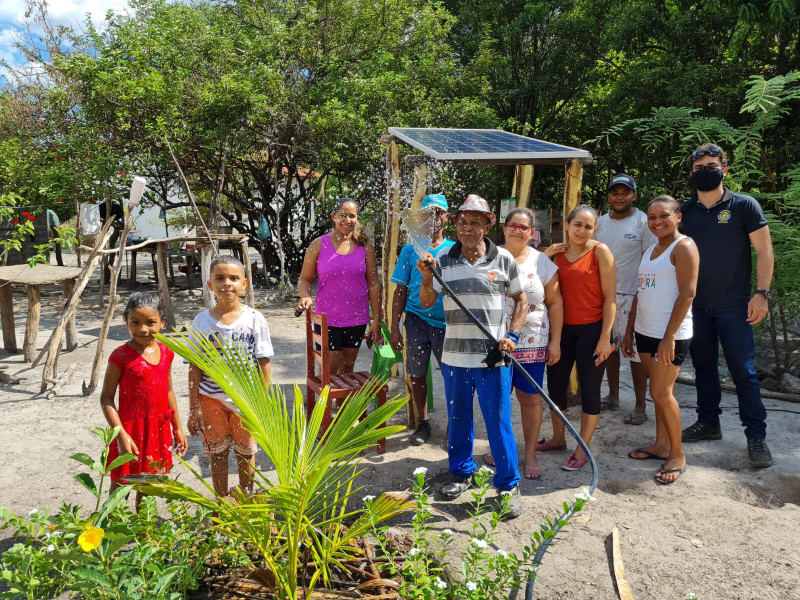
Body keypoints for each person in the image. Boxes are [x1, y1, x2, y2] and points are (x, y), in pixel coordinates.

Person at [417, 194, 528, 519]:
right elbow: (426, 302)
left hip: (493, 358)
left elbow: (521, 300)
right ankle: (462, 473)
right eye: (462, 221)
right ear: (455, 223)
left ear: (488, 224)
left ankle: (508, 485)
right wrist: (426, 276)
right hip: (454, 357)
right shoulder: (443, 260)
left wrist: (512, 335)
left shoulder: (503, 259)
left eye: (475, 222)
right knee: (459, 419)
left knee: (498, 423)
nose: (467, 228)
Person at [679, 143, 775, 468]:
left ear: (724, 169)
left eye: (712, 165)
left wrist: (762, 293)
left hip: (736, 307)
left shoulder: (743, 205)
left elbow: (764, 251)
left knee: (743, 373)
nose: (705, 170)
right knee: (704, 369)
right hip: (696, 308)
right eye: (699, 167)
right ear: (691, 174)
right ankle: (709, 423)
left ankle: (756, 437)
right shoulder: (684, 213)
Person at [622, 196, 699, 484]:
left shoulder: (685, 247)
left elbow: (687, 294)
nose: (657, 222)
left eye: (663, 216)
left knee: (661, 393)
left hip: (671, 335)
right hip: (645, 331)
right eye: (651, 217)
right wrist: (629, 330)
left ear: (678, 216)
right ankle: (661, 444)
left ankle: (677, 454)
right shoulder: (651, 249)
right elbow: (641, 291)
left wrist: (669, 338)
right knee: (659, 393)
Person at [483, 207, 563, 480]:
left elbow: (554, 303)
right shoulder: (488, 256)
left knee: (529, 399)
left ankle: (529, 453)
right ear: (504, 228)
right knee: (498, 398)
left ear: (532, 232)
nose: (517, 230)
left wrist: (556, 343)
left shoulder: (542, 262)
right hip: (496, 341)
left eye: (524, 227)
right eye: (512, 225)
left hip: (532, 341)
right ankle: (501, 448)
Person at [188, 256, 273, 497]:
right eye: (220, 278)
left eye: (234, 278)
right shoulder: (201, 322)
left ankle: (245, 502)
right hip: (210, 399)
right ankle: (222, 501)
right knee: (218, 453)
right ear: (210, 285)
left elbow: (264, 362)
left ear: (244, 284)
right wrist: (194, 406)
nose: (227, 283)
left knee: (246, 453)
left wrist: (261, 401)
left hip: (245, 400)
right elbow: (194, 367)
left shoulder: (255, 319)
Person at [540, 205, 616, 470]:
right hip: (560, 332)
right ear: (568, 225)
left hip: (592, 331)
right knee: (555, 388)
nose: (582, 230)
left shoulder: (600, 252)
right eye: (578, 225)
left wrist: (606, 338)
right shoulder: (556, 255)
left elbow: (610, 300)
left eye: (588, 226)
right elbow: (531, 278)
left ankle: (582, 450)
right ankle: (557, 439)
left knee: (591, 391)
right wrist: (545, 255)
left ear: (594, 229)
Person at [100, 292, 188, 509]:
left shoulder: (167, 352)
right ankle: (107, 533)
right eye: (135, 322)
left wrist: (177, 427)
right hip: (129, 430)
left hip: (157, 429)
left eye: (150, 322)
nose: (142, 329)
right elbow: (106, 398)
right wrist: (120, 435)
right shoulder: (120, 356)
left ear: (162, 323)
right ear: (126, 322)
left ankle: (144, 534)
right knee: (122, 486)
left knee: (149, 485)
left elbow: (168, 391)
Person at [389, 193, 454, 446]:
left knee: (451, 374)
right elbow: (400, 290)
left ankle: (455, 422)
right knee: (416, 373)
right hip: (415, 320)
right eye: (428, 214)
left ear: (446, 217)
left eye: (439, 213)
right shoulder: (409, 250)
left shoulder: (452, 250)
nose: (434, 218)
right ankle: (423, 421)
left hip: (446, 323)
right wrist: (394, 328)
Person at [594, 173, 656, 424]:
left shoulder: (643, 222)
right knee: (608, 348)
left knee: (635, 353)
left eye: (625, 192)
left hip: (634, 296)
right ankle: (613, 396)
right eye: (615, 192)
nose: (619, 197)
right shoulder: (599, 223)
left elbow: (650, 260)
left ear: (634, 196)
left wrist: (645, 295)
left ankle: (640, 405)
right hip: (603, 296)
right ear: (609, 196)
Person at [297, 197, 382, 374]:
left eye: (352, 216)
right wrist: (305, 295)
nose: (347, 220)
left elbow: (374, 284)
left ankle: (343, 404)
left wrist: (377, 321)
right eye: (343, 215)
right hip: (327, 318)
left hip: (357, 319)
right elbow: (304, 279)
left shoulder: (365, 246)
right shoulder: (319, 244)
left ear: (357, 219)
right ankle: (325, 403)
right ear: (333, 216)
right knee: (328, 370)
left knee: (346, 369)